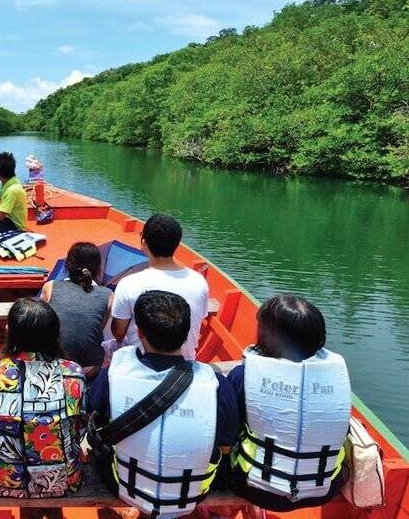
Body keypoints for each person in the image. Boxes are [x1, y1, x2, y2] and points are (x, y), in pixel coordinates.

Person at [88, 291, 239, 519]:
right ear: (186, 334)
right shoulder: (216, 385)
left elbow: (93, 416)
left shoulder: (112, 375)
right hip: (192, 493)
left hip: (125, 486)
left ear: (139, 333)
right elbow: (226, 446)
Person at [227, 295, 351, 511]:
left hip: (255, 488)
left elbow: (228, 433)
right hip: (323, 490)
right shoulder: (336, 377)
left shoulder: (243, 375)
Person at [0, 298, 87, 499]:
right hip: (64, 480)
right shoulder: (73, 372)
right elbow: (81, 422)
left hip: (4, 481)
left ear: (10, 332)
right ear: (55, 334)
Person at [111, 214, 208, 360]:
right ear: (177, 243)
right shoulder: (199, 282)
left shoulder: (128, 284)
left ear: (144, 243)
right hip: (186, 364)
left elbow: (118, 333)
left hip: (141, 362)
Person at [41, 242, 112, 380]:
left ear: (68, 265)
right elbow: (97, 329)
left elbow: (44, 323)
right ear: (98, 268)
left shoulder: (50, 287)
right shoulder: (108, 294)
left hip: (52, 364)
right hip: (88, 369)